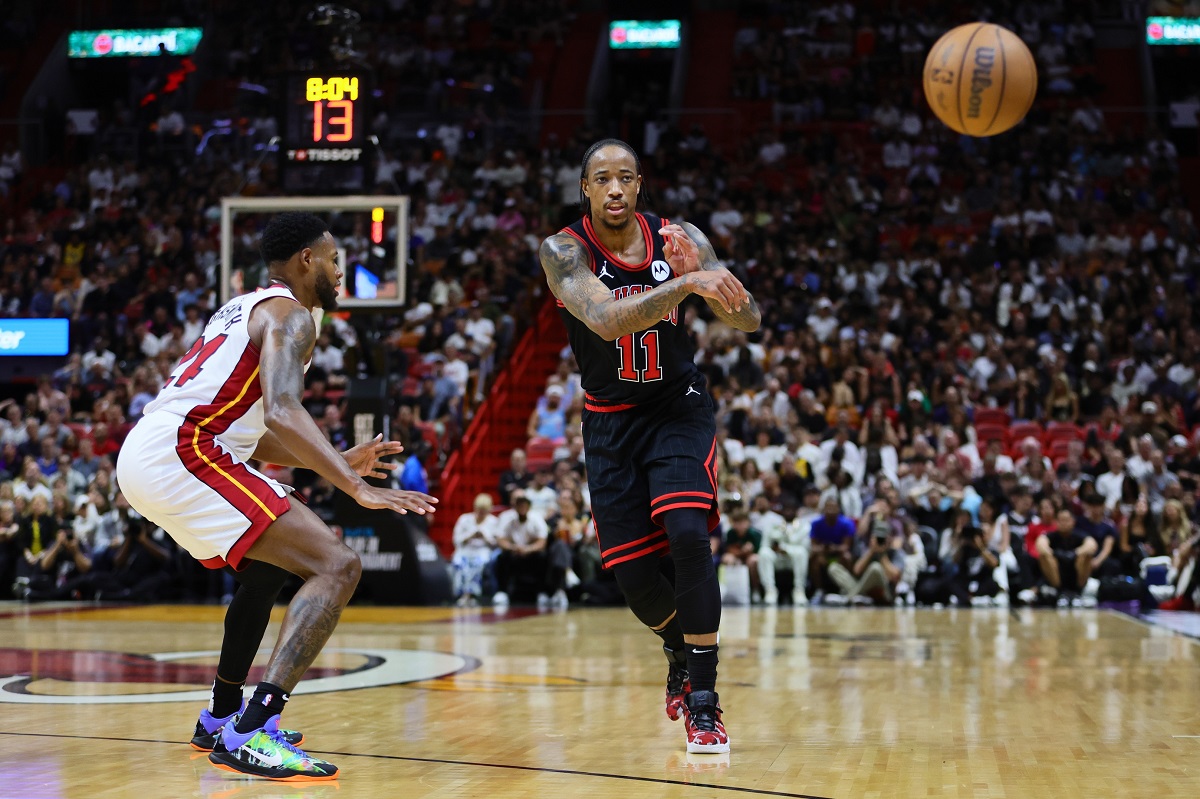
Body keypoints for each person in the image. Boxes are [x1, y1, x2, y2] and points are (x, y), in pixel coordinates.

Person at [116, 213, 436, 781]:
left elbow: (253, 427)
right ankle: (251, 731)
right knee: (337, 565)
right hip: (184, 450)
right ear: (307, 259)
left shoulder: (245, 307)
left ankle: (219, 716)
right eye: (335, 260)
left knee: (266, 572)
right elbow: (284, 411)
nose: (341, 272)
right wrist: (353, 484)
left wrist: (339, 459)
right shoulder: (291, 316)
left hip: (159, 449)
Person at [539, 138, 760, 753]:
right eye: (602, 179)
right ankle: (676, 646)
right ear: (586, 188)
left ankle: (705, 700)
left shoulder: (680, 235)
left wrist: (716, 280)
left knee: (689, 533)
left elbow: (749, 320)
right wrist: (687, 284)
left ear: (639, 185)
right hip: (611, 422)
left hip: (677, 409)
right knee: (635, 579)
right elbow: (608, 320)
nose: (615, 188)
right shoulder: (562, 250)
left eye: (626, 178)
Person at [451, 492, 499, 605]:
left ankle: (471, 594)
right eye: (479, 510)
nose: (481, 513)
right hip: (465, 549)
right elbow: (456, 540)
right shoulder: (464, 519)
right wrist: (470, 535)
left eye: (484, 510)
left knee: (478, 563)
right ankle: (460, 593)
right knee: (459, 563)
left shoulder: (493, 521)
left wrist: (485, 537)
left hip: (484, 550)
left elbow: (496, 543)